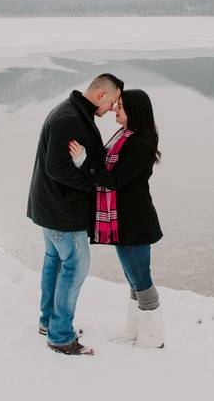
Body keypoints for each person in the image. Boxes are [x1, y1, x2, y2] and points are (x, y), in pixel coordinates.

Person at [27, 73, 123, 356]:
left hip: (51, 206)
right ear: (101, 95)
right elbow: (56, 167)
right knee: (76, 266)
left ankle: (49, 322)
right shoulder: (70, 118)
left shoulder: (72, 111)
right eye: (113, 101)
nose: (112, 109)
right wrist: (94, 186)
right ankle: (60, 336)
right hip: (62, 211)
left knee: (54, 261)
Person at [68, 88, 165, 349]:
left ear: (134, 111)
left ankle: (153, 337)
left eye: (120, 105)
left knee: (141, 280)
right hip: (124, 222)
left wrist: (84, 162)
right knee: (133, 279)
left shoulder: (140, 143)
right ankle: (134, 331)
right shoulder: (125, 135)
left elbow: (114, 180)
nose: (115, 109)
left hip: (135, 223)